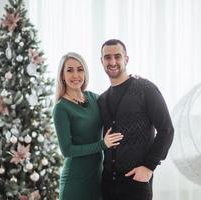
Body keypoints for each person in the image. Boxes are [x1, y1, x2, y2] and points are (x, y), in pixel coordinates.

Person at [97, 39, 174, 200]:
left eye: (117, 56)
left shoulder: (145, 88)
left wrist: (149, 167)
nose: (112, 62)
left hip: (136, 182)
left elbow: (166, 129)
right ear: (102, 61)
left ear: (126, 59)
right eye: (107, 57)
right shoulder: (102, 99)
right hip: (108, 184)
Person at [53, 52, 123, 200]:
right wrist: (102, 144)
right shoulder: (61, 108)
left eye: (80, 69)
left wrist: (134, 81)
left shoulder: (93, 98)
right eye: (69, 70)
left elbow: (117, 102)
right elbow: (67, 150)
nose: (75, 75)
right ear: (62, 75)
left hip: (97, 177)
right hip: (75, 181)